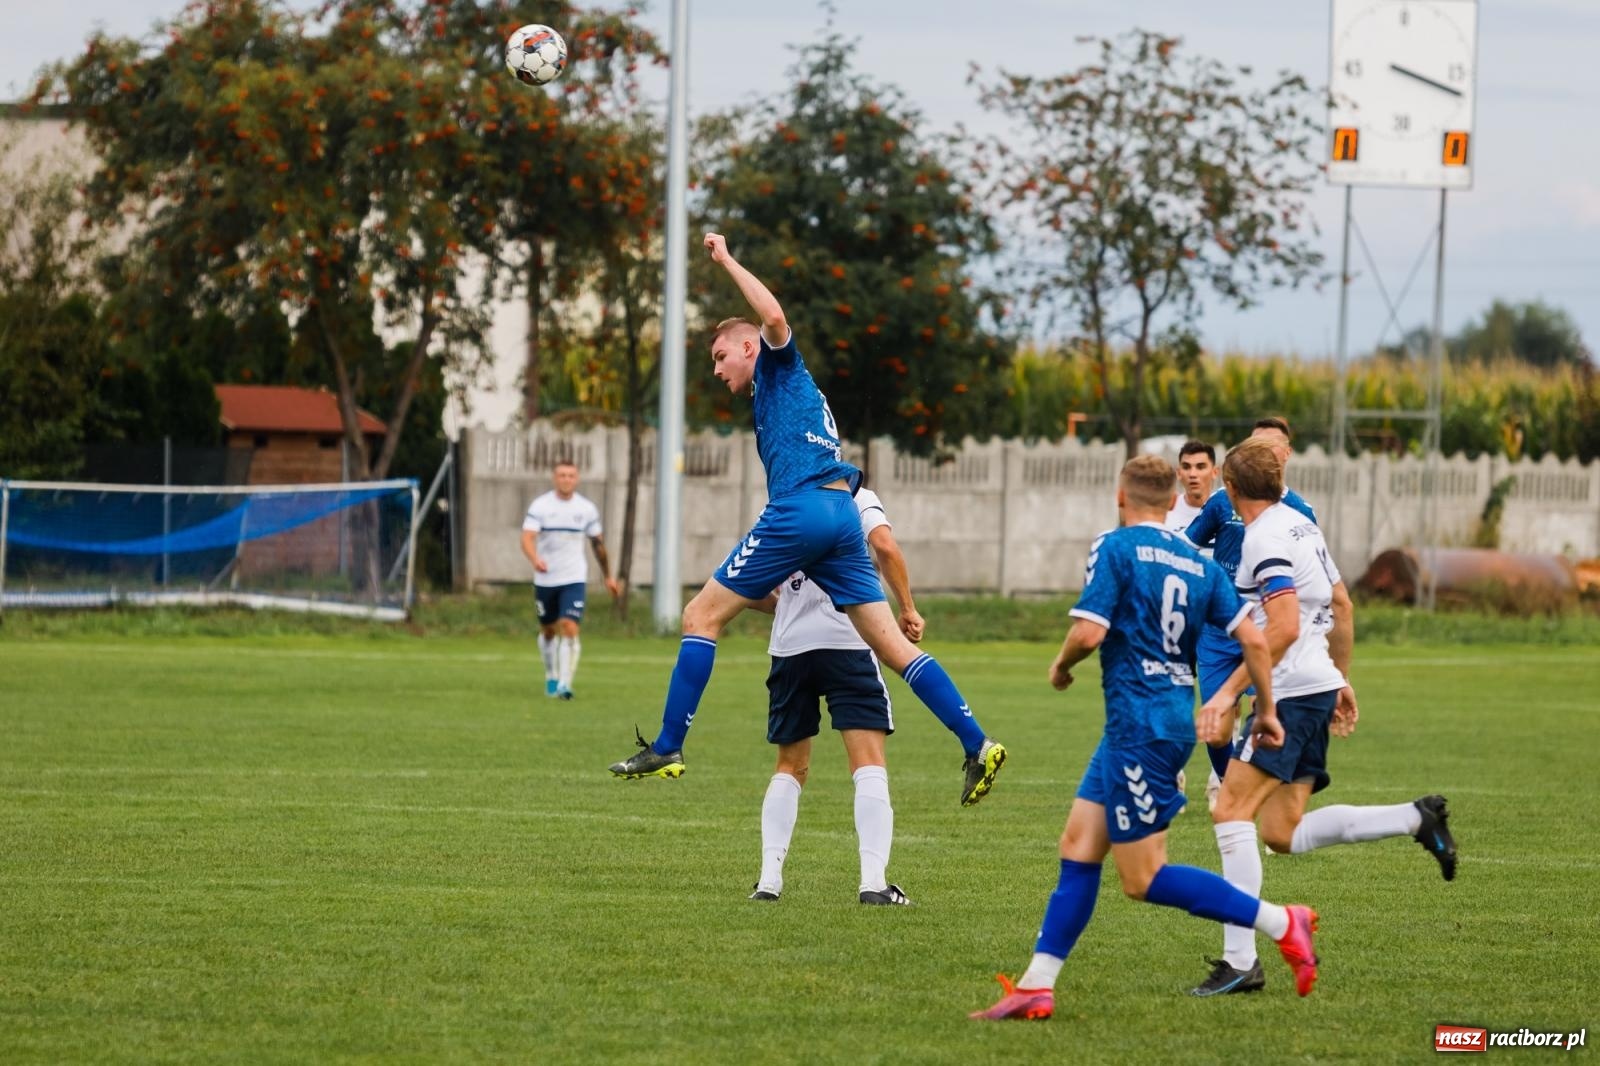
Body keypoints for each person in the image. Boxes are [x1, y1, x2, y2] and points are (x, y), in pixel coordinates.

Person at [608, 233, 1006, 807]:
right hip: (841, 515)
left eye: (721, 356)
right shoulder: (789, 395)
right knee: (893, 647)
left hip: (801, 509)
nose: (718, 370)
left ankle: (669, 746)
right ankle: (977, 742)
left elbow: (772, 314)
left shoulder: (778, 364)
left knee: (699, 615)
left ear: (748, 347)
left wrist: (725, 260)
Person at [971, 456, 1321, 1022]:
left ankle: (1283, 922)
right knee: (1079, 846)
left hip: (1142, 728)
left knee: (1143, 877)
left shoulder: (1114, 546)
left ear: (1121, 495)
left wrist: (1062, 666)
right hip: (1157, 723)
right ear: (1168, 501)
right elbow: (1256, 643)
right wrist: (1268, 711)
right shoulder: (1198, 563)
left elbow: (1089, 631)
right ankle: (1038, 984)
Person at [1190, 438, 1457, 998]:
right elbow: (1340, 604)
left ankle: (1241, 961)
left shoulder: (1263, 538)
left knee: (1231, 813)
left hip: (1288, 692)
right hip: (1314, 685)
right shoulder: (1301, 524)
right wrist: (1339, 677)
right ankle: (1416, 819)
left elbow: (1283, 627)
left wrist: (1229, 694)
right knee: (1281, 833)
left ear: (1231, 490)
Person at [748, 485, 920, 906]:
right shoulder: (857, 498)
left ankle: (769, 882)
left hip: (791, 650)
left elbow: (748, 581)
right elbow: (885, 547)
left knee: (790, 765)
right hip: (849, 642)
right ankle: (873, 883)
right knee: (867, 763)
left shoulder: (784, 505)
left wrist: (787, 607)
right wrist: (908, 609)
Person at [1185, 417, 1317, 810]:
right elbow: (1188, 545)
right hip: (1219, 633)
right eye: (1253, 446)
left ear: (1286, 454)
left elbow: (1315, 581)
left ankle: (1264, 802)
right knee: (1217, 728)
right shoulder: (1222, 502)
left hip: (1269, 632)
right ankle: (1230, 787)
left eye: (1269, 447)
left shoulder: (1299, 512)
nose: (1260, 453)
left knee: (1270, 720)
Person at [519, 460, 620, 700]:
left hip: (574, 577)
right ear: (555, 478)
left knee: (570, 627)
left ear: (577, 479)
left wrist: (608, 576)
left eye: (570, 475)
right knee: (548, 631)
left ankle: (565, 683)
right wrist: (535, 560)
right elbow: (527, 538)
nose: (566, 479)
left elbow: (598, 545)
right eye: (562, 475)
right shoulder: (541, 506)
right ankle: (551, 675)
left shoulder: (586, 509)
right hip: (545, 579)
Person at [1165, 440, 1217, 543]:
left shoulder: (1227, 511)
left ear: (1215, 472)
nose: (1192, 474)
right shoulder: (1165, 512)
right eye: (1186, 467)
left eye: (1200, 467)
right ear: (1179, 473)